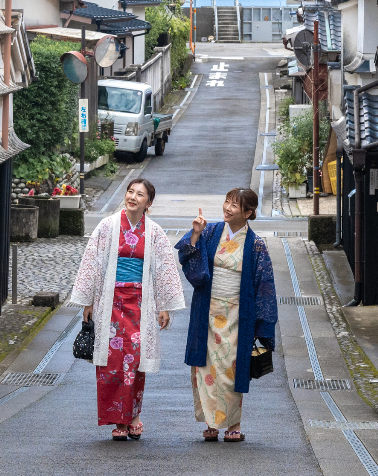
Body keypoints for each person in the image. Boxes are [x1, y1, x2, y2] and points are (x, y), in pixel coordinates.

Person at [69, 178, 186, 440]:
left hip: (140, 303)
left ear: (149, 203)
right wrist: (88, 301)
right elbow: (92, 263)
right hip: (109, 301)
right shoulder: (107, 226)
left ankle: (133, 416)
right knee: (111, 362)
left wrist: (164, 306)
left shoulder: (154, 232)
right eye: (130, 191)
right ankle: (118, 421)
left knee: (135, 360)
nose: (133, 197)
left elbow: (164, 269)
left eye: (140, 194)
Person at [175, 188, 278, 442]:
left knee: (231, 368)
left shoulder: (255, 244)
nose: (228, 208)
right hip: (207, 309)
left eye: (235, 205)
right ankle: (210, 422)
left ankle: (233, 423)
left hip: (237, 313)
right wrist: (196, 233)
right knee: (205, 366)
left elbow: (264, 285)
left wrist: (262, 324)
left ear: (248, 213)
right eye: (227, 202)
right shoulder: (210, 232)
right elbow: (188, 256)